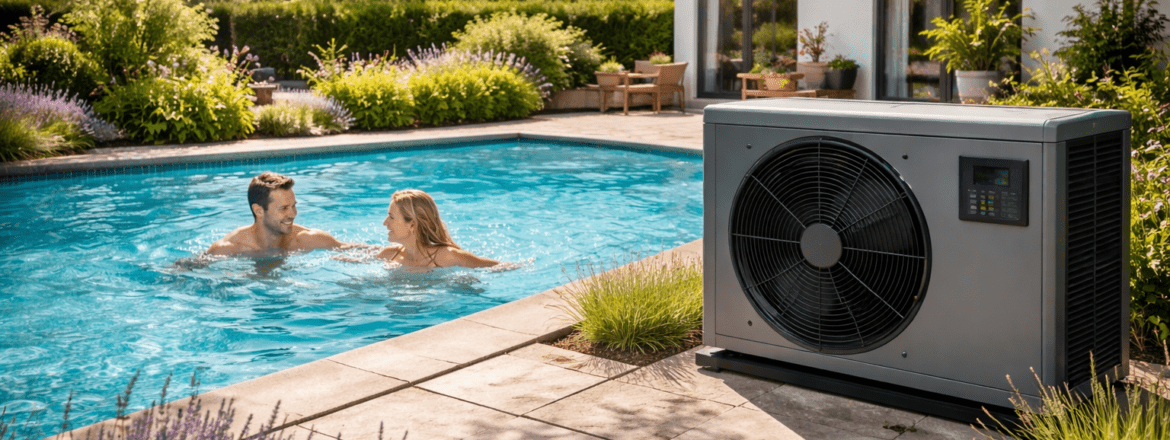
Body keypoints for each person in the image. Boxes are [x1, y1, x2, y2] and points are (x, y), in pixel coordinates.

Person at [207, 171, 351, 257]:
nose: (292, 214)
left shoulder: (307, 239)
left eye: (293, 206)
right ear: (259, 211)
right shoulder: (229, 248)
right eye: (283, 208)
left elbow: (358, 250)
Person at [375, 189, 506, 269]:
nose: (385, 223)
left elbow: (501, 266)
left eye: (391, 217)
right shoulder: (389, 255)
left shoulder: (447, 256)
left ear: (412, 225)